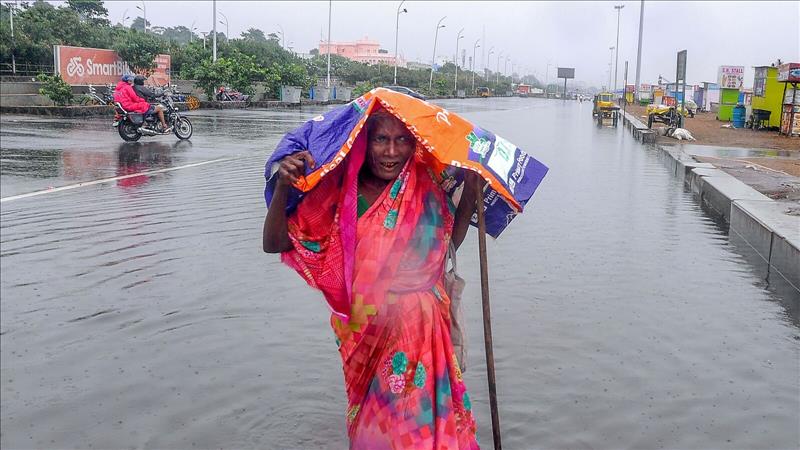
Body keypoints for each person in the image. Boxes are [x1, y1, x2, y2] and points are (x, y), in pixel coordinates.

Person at [263, 109, 481, 449]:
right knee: (374, 426)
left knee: (417, 430)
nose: (391, 152)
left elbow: (446, 244)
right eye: (381, 139)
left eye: (401, 141)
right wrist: (282, 186)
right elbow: (274, 244)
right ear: (365, 141)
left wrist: (469, 196)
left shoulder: (425, 184)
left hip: (422, 328)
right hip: (366, 331)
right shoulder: (341, 193)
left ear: (414, 145)